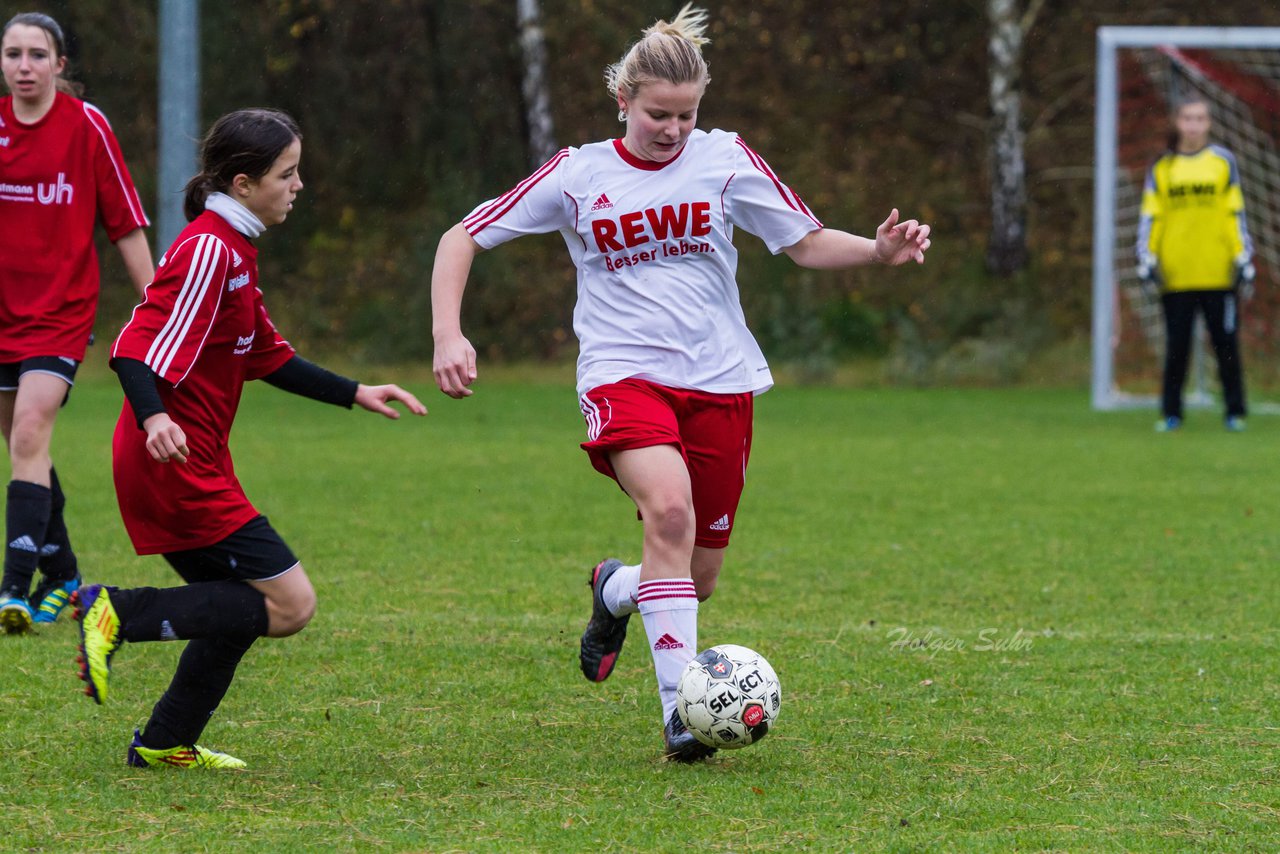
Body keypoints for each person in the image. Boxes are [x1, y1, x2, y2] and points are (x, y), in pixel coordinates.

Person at [431, 5, 930, 761]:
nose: (672, 129)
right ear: (622, 101)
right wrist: (448, 331)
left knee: (696, 578)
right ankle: (678, 715)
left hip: (720, 381)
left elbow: (803, 242)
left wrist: (876, 252)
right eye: (658, 114)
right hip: (622, 374)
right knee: (668, 513)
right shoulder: (577, 175)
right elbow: (461, 235)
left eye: (686, 115)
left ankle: (615, 590)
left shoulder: (725, 158)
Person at [72, 108, 427, 770]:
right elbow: (130, 348)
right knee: (291, 605)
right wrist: (155, 418)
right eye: (287, 174)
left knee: (240, 608)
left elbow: (268, 356)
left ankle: (164, 740)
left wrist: (357, 391)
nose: (298, 185)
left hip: (192, 459)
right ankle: (115, 613)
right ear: (242, 183)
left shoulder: (234, 250)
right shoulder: (210, 249)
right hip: (171, 462)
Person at [0, 12, 154, 633]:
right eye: (13, 54)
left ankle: (12, 588)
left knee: (31, 428)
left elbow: (124, 224)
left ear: (60, 65)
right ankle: (63, 574)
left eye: (38, 54)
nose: (25, 66)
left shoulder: (87, 128)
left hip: (60, 315)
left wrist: (159, 313)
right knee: (22, 445)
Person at [1136, 94, 1256, 433]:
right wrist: (1147, 258)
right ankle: (1171, 413)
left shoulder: (1222, 162)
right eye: (1187, 118)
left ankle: (1235, 412)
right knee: (1177, 348)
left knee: (1226, 347)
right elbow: (1151, 217)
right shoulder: (1162, 167)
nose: (1193, 125)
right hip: (1176, 274)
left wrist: (1242, 256)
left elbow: (1235, 214)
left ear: (1209, 124)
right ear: (1177, 122)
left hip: (1218, 273)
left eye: (1200, 119)